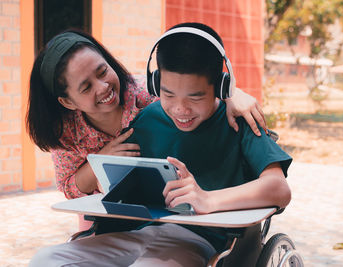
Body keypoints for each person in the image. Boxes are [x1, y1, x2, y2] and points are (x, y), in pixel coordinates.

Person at [29, 23, 292, 267]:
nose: (180, 108)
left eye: (195, 96)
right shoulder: (145, 118)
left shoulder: (240, 122)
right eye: (168, 94)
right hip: (133, 232)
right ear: (155, 85)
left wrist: (207, 199)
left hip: (195, 241)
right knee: (46, 259)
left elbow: (279, 189)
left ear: (222, 86)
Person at [27, 30, 266, 202]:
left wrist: (232, 94)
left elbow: (193, 92)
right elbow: (68, 187)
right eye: (86, 87)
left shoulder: (149, 94)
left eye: (102, 71)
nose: (102, 87)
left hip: (170, 200)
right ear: (67, 102)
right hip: (108, 204)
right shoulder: (65, 132)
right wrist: (101, 161)